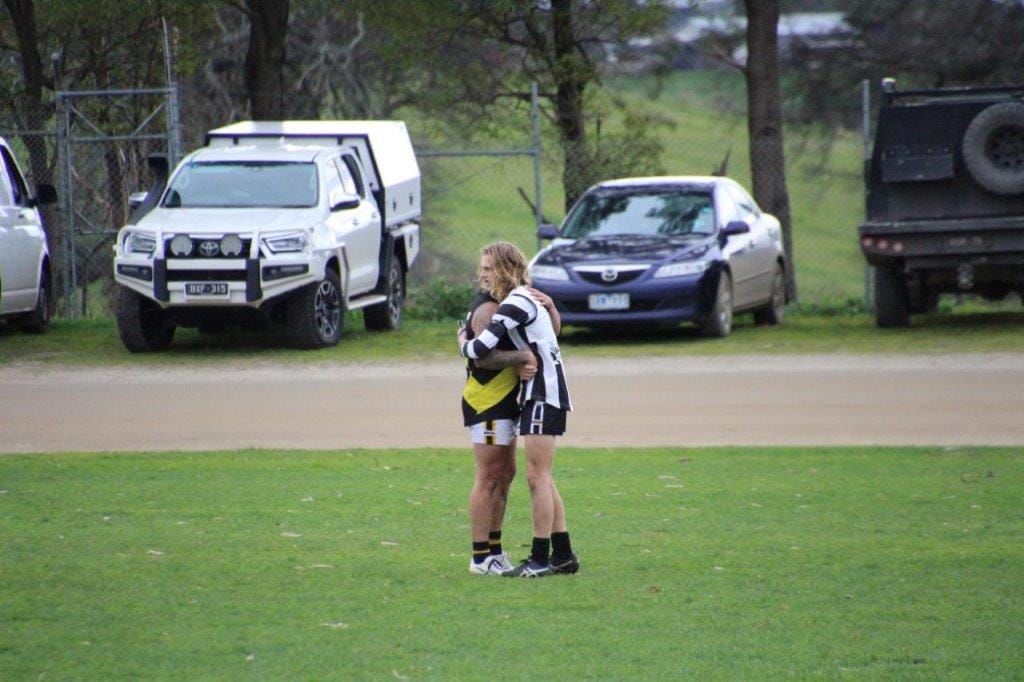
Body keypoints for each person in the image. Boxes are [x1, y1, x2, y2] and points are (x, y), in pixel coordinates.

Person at [459, 241, 579, 578]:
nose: (480, 275)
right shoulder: (498, 305)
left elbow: (543, 336)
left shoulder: (516, 301)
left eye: (487, 269)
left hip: (533, 394)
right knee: (506, 476)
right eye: (480, 268)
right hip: (494, 399)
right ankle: (489, 556)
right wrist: (520, 358)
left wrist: (551, 309)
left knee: (524, 475)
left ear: (504, 269)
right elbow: (481, 352)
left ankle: (542, 556)